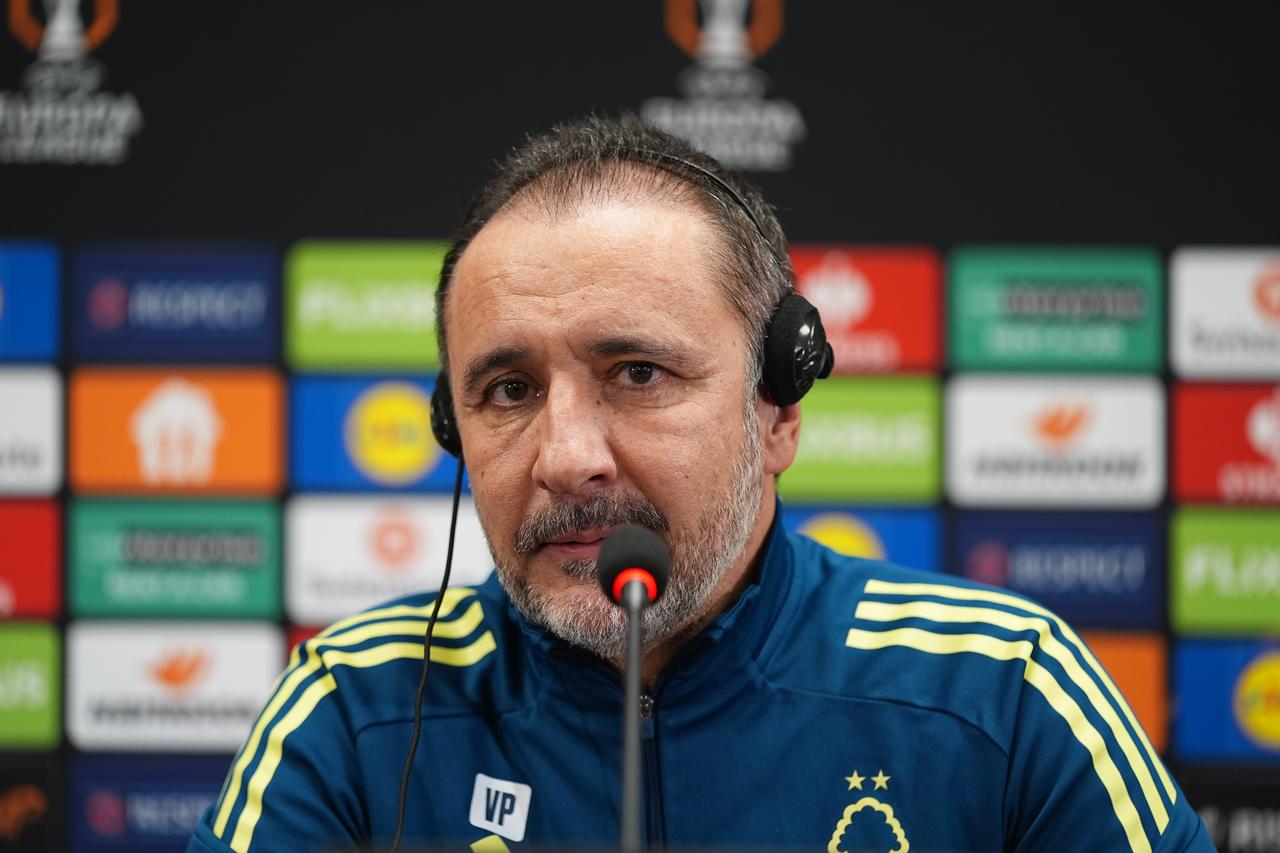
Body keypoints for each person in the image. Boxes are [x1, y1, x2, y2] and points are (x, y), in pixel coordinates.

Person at [189, 115, 1212, 853]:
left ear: (778, 406)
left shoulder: (1001, 688)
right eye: (506, 389)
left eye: (636, 374)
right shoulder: (353, 706)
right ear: (452, 426)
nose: (564, 455)